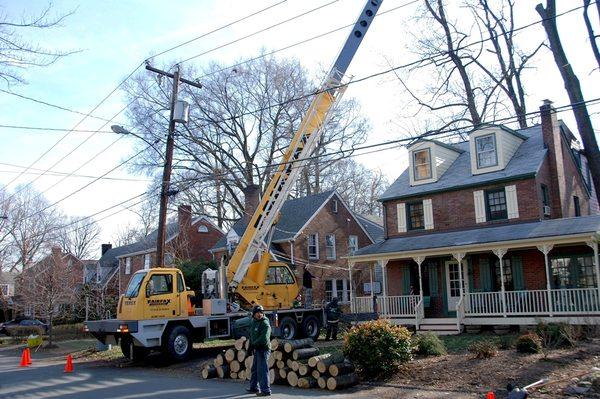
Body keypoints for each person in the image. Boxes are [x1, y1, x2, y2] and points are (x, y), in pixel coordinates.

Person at [247, 305, 271, 396]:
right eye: (257, 312)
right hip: (257, 349)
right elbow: (252, 336)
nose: (259, 314)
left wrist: (254, 345)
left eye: (261, 312)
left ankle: (265, 390)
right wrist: (250, 347)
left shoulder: (265, 323)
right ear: (254, 314)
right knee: (255, 369)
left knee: (262, 370)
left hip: (263, 349)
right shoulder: (254, 322)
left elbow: (264, 339)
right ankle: (254, 387)